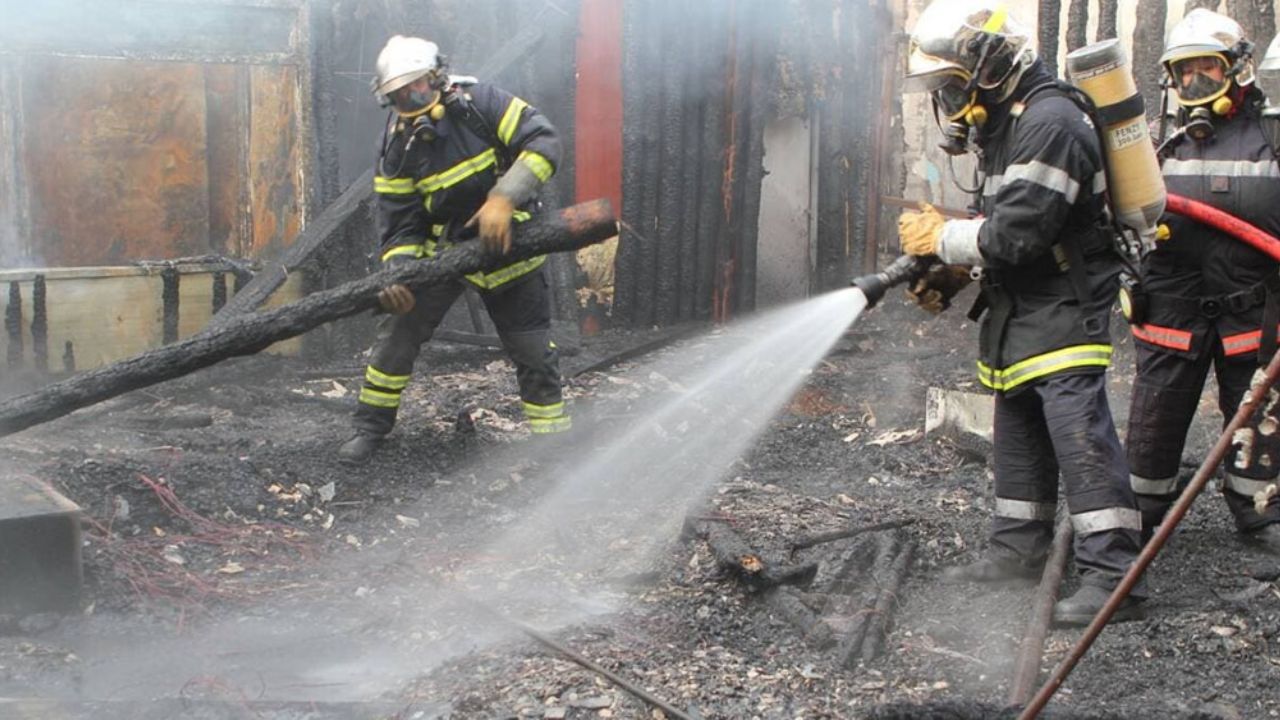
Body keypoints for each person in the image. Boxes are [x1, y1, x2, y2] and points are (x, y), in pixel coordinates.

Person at [897, 0, 1146, 624]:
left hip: (1064, 306)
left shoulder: (1052, 123)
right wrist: (955, 272)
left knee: (1080, 440)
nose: (949, 103)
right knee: (1020, 437)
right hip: (1023, 310)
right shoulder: (1010, 125)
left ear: (990, 67)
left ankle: (1114, 581)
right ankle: (1018, 553)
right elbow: (1005, 227)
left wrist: (941, 242)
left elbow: (1017, 235)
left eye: (953, 84)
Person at [338, 35, 571, 465]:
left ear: (439, 78)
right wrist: (399, 277)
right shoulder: (394, 149)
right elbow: (400, 224)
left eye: (419, 88)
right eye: (400, 95)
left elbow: (543, 142)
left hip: (510, 244)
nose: (412, 99)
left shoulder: (483, 103)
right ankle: (369, 428)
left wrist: (505, 197)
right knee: (396, 336)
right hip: (441, 256)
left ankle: (553, 442)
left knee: (534, 352)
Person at [1126, 9, 1280, 553]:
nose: (1193, 86)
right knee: (1154, 420)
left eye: (1206, 72)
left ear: (1237, 71)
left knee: (1256, 421)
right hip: (1172, 313)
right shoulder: (1156, 146)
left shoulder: (1271, 138)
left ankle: (1259, 515)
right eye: (1183, 74)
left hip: (1250, 315)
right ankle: (1138, 516)